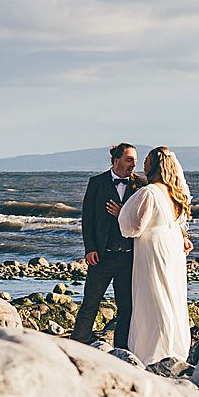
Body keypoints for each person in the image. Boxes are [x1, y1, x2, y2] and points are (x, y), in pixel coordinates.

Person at [117, 145, 194, 366]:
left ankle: (152, 350)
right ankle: (174, 347)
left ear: (155, 165)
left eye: (147, 160)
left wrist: (120, 214)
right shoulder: (175, 193)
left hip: (153, 248)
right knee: (171, 294)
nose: (143, 164)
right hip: (173, 248)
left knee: (153, 295)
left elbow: (134, 226)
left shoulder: (149, 192)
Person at [72, 143, 141, 348]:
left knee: (126, 307)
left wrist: (123, 213)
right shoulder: (97, 183)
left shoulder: (142, 185)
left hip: (129, 257)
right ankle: (78, 343)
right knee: (90, 303)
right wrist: (89, 248)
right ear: (116, 160)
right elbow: (88, 219)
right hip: (102, 255)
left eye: (135, 160)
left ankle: (121, 349)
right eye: (129, 159)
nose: (133, 164)